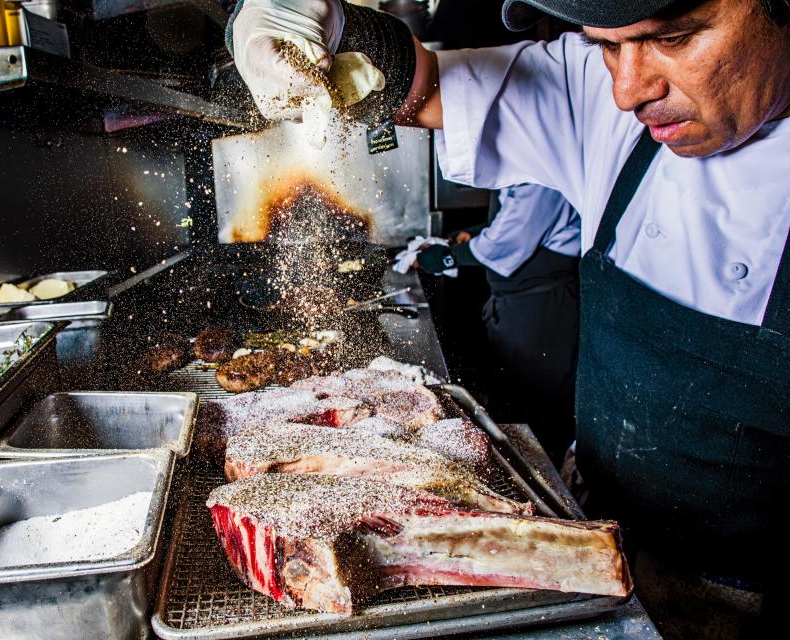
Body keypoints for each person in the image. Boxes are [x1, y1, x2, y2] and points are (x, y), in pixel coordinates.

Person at [225, 0, 790, 637]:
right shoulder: (602, 102)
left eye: (675, 38)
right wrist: (318, 21)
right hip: (584, 530)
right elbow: (419, 86)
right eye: (607, 44)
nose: (629, 89)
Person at [416, 184, 581, 467]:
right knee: (515, 394)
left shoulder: (536, 175)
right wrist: (477, 232)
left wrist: (450, 256)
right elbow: (512, 221)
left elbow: (509, 240)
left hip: (541, 309)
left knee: (538, 403)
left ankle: (544, 480)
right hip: (520, 304)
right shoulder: (519, 172)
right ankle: (520, 463)